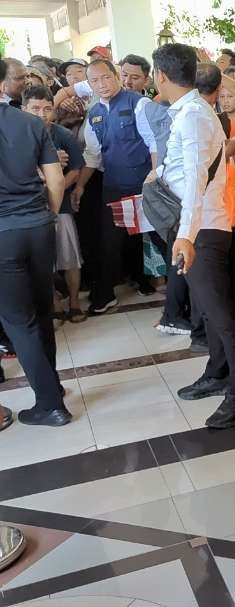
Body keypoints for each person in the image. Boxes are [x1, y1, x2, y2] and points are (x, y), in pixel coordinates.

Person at [152, 43, 235, 429]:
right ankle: (219, 372)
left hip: (203, 229)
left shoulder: (193, 115)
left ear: (161, 75)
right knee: (210, 314)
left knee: (222, 316)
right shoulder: (188, 112)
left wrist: (185, 235)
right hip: (199, 226)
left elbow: (196, 178)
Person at [0, 59, 70, 427]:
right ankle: (53, 385)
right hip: (39, 225)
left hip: (2, 235)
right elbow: (55, 181)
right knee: (43, 312)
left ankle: (50, 404)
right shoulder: (30, 123)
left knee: (17, 322)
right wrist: (50, 216)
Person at [72, 59, 159, 313]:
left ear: (116, 76)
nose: (102, 84)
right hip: (114, 186)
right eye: (95, 81)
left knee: (158, 237)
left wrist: (155, 175)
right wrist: (79, 186)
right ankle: (105, 293)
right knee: (110, 241)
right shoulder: (94, 114)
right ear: (89, 84)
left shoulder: (139, 104)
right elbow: (93, 155)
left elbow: (154, 143)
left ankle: (166, 287)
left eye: (106, 77)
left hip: (145, 184)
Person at [23, 85, 88, 323]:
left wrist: (55, 185)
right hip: (30, 208)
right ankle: (53, 302)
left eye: (47, 108)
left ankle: (74, 301)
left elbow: (76, 168)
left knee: (70, 256)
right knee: (42, 260)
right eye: (35, 108)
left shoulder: (62, 134)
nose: (42, 114)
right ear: (23, 109)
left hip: (61, 206)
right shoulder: (16, 136)